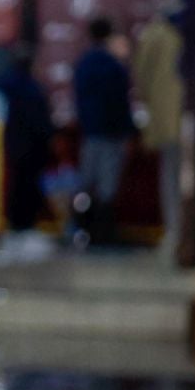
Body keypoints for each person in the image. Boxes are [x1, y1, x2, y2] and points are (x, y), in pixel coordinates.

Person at [71, 16, 137, 245]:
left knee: (87, 180)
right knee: (107, 185)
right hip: (110, 133)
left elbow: (79, 99)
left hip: (91, 131)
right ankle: (103, 231)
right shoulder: (113, 65)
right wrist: (127, 131)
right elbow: (121, 102)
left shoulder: (84, 63)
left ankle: (82, 229)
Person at [132, 0, 187, 256]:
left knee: (172, 175)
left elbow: (141, 76)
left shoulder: (156, 33)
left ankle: (176, 230)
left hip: (169, 118)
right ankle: (189, 230)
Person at [0, 51, 54, 234]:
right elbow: (42, 122)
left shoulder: (5, 84)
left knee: (16, 183)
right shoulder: (34, 90)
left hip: (13, 142)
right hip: (32, 146)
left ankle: (13, 219)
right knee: (27, 185)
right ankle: (25, 221)